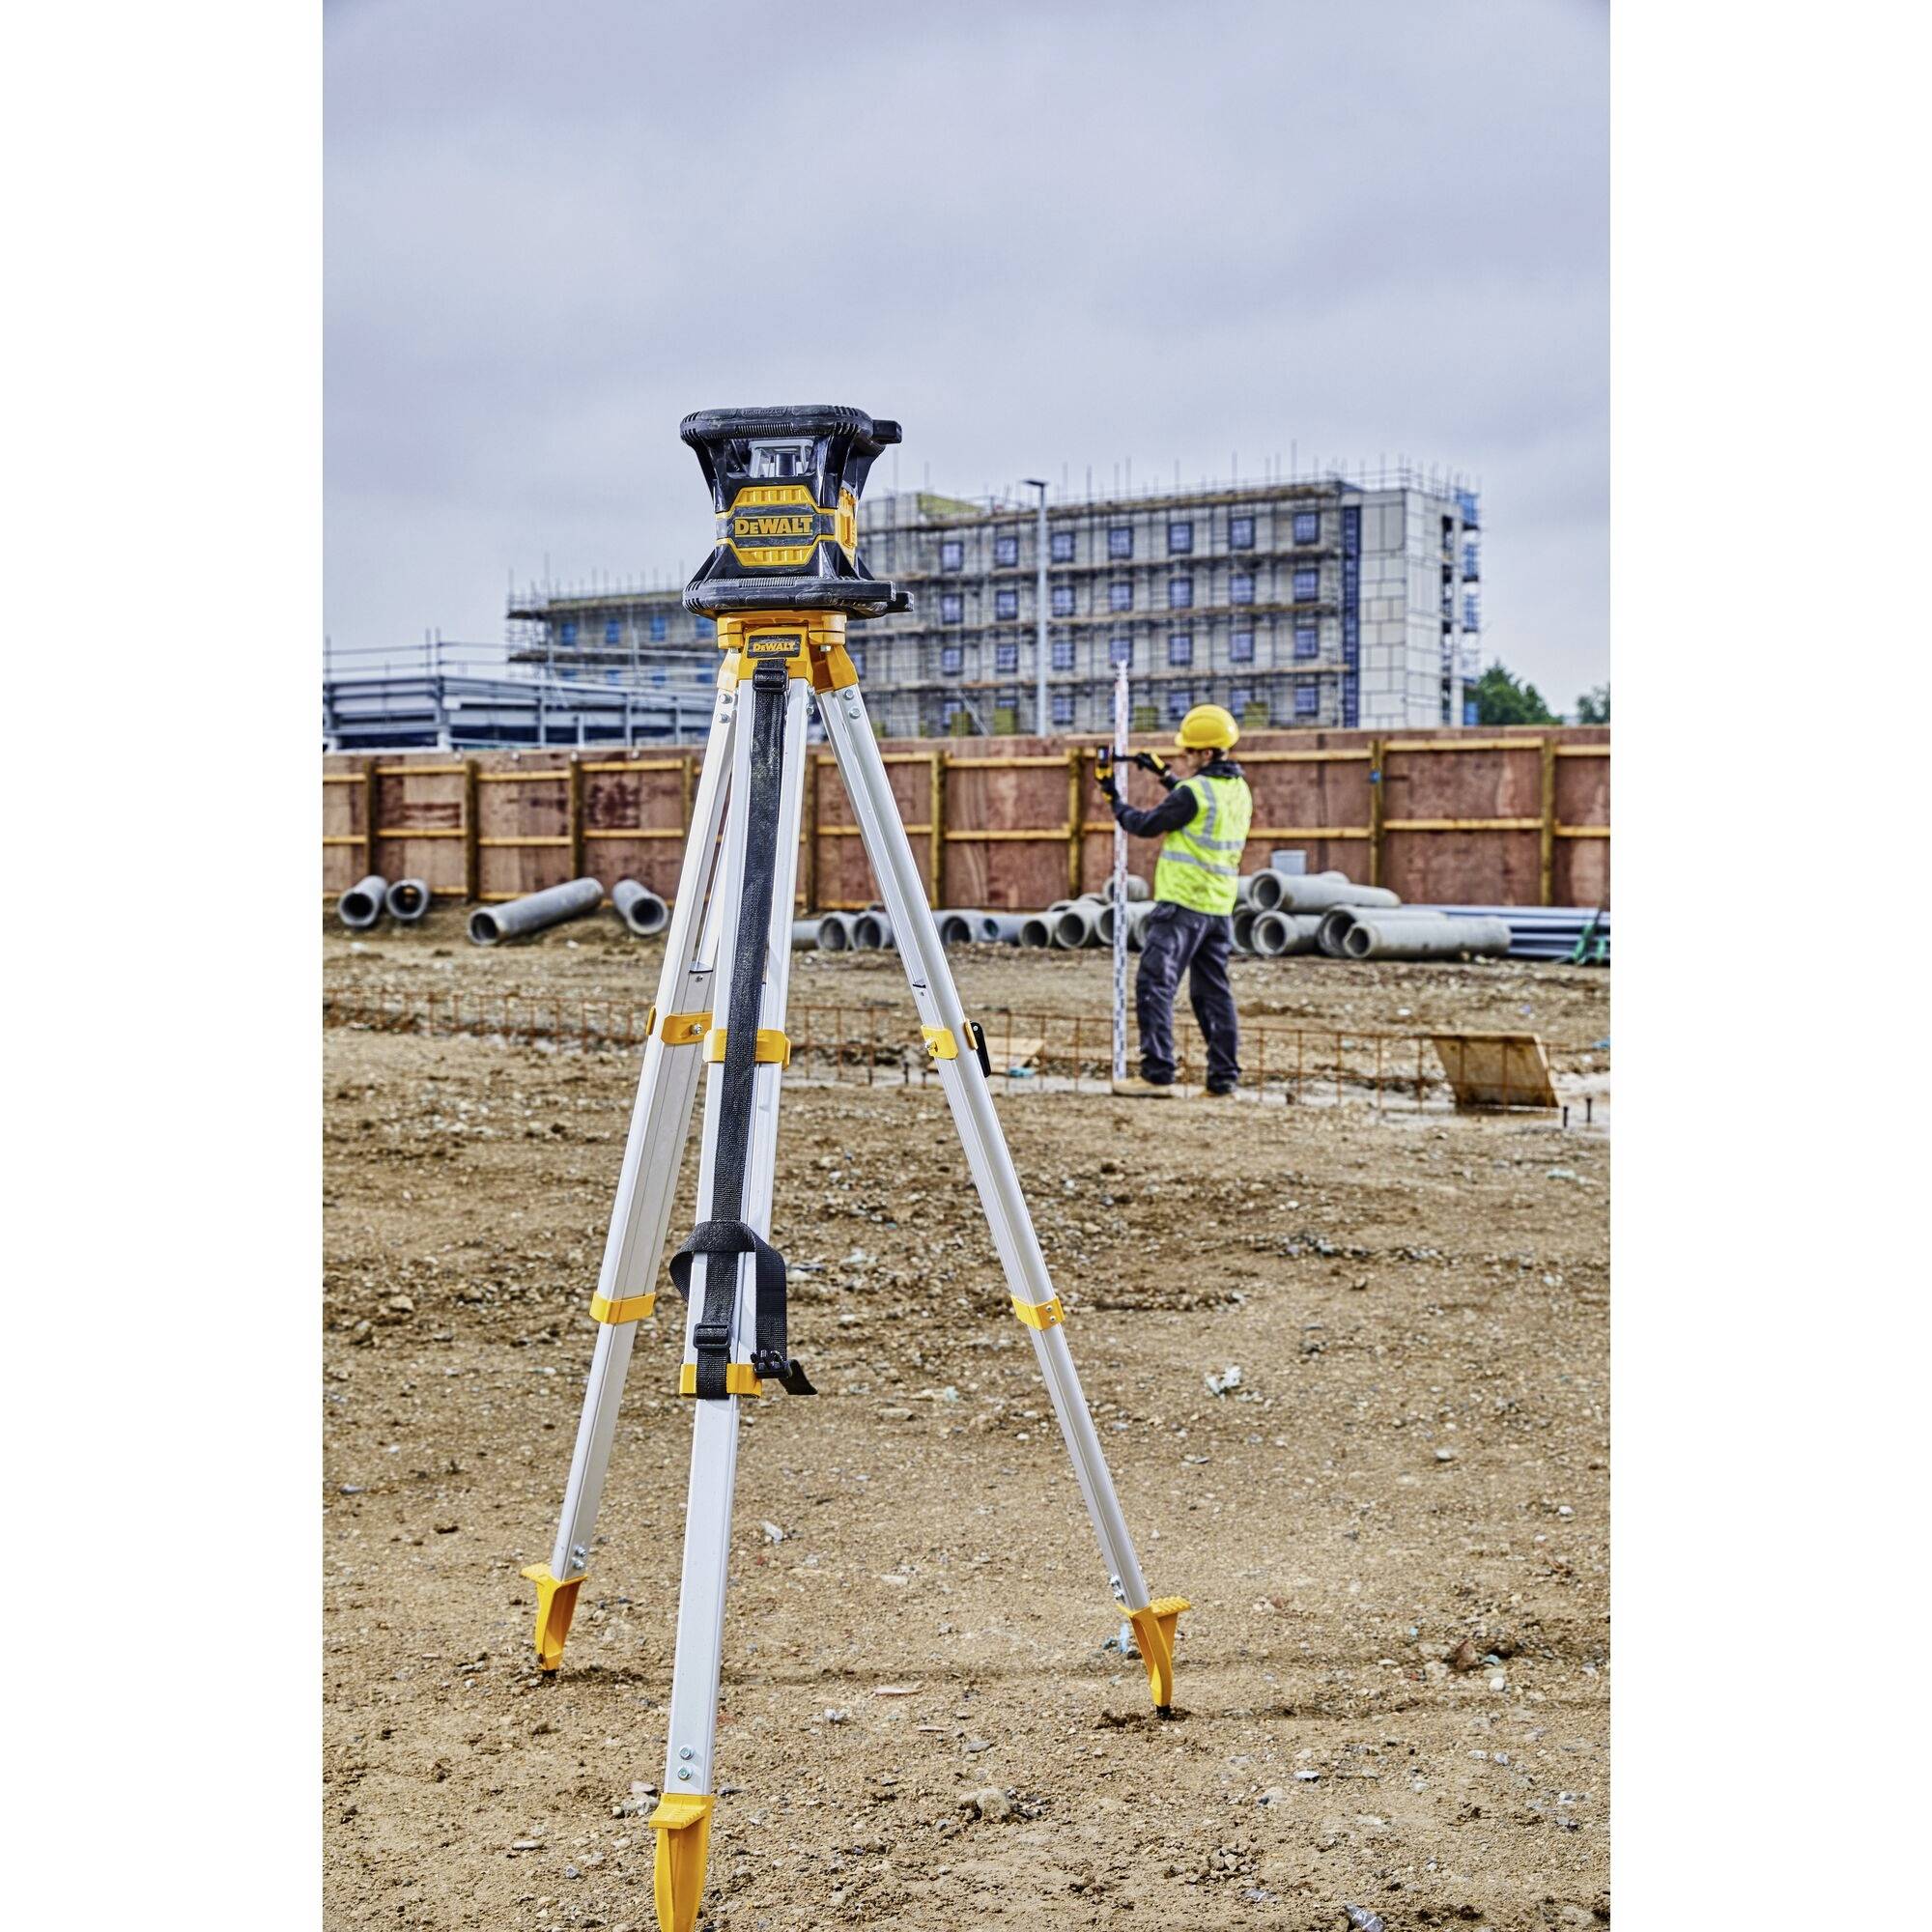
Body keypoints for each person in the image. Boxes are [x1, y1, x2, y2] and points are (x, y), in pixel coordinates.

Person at [1095, 703, 1254, 1095]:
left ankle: (1157, 1074)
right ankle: (1222, 1080)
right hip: (1218, 908)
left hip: (1182, 904)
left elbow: (1145, 824)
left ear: (1207, 753)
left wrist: (1112, 796)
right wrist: (1164, 775)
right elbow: (1193, 808)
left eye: (1189, 751)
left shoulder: (1194, 793)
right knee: (1213, 994)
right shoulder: (1237, 790)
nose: (1184, 756)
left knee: (1155, 984)